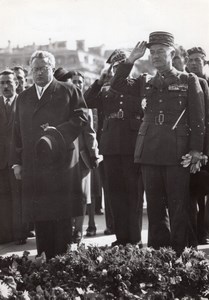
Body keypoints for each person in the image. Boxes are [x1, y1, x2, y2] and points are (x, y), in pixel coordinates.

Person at [110, 32, 205, 255]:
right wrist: (131, 59)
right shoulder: (146, 81)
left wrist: (195, 151)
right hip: (149, 152)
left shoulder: (188, 80)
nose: (155, 56)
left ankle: (181, 255)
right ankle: (159, 256)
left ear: (172, 53)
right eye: (152, 52)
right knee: (154, 209)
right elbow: (117, 85)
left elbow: (198, 119)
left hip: (177, 153)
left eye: (161, 51)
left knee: (178, 207)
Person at [11, 50, 88, 259]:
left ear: (52, 69)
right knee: (41, 216)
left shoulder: (68, 90)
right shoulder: (24, 97)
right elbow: (16, 132)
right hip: (34, 167)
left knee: (61, 217)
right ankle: (44, 261)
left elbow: (81, 118)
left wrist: (56, 134)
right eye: (34, 69)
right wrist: (17, 162)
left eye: (43, 69)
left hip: (60, 164)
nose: (38, 73)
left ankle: (61, 264)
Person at [84, 50, 144, 246]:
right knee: (114, 194)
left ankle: (134, 238)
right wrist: (100, 81)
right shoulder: (105, 90)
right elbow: (85, 100)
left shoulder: (138, 85)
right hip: (109, 147)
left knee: (133, 194)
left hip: (131, 146)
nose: (118, 70)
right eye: (115, 66)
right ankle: (121, 237)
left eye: (122, 66)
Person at [186, 47, 209, 245]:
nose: (193, 63)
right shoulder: (184, 82)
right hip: (193, 146)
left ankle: (204, 230)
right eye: (190, 60)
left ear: (205, 62)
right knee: (194, 192)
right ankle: (197, 233)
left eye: (197, 60)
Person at [0, 69, 19, 244]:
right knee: (3, 199)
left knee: (18, 197)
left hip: (18, 160)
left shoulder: (23, 103)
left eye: (9, 82)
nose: (5, 86)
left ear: (16, 84)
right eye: (2, 83)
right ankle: (4, 235)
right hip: (0, 161)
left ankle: (19, 234)